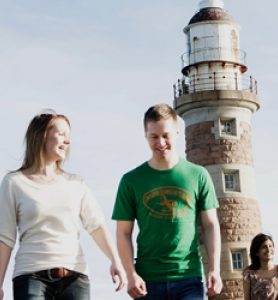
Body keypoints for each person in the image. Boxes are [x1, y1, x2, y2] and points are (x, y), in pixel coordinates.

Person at [0, 111, 127, 300]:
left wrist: (116, 261)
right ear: (41, 135)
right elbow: (5, 237)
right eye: (61, 134)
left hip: (75, 280)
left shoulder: (76, 183)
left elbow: (96, 226)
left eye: (69, 136)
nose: (67, 141)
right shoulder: (14, 182)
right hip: (30, 278)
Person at [112, 104, 222, 300]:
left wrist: (214, 270)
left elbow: (210, 224)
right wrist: (131, 274)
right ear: (146, 135)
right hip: (147, 282)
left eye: (166, 135)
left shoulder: (198, 175)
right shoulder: (130, 181)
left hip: (189, 278)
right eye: (154, 136)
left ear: (177, 132)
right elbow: (123, 232)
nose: (160, 142)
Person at [242, 234, 278, 300]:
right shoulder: (248, 273)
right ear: (257, 252)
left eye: (270, 246)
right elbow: (246, 298)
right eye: (264, 247)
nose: (268, 249)